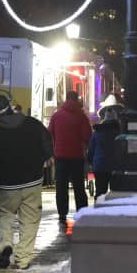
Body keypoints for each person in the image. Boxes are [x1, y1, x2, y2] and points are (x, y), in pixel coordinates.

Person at [0, 94, 54, 270]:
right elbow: (47, 142)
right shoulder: (32, 124)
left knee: (4, 216)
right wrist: (46, 157)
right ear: (10, 107)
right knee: (30, 220)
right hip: (33, 181)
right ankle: (22, 259)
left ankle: (6, 245)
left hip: (7, 184)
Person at [48, 90, 93, 226]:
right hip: (76, 156)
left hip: (60, 156)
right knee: (79, 186)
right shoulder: (81, 116)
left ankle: (62, 213)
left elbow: (49, 134)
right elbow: (87, 136)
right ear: (77, 99)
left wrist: (54, 149)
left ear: (66, 99)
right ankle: (81, 211)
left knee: (61, 186)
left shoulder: (56, 116)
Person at [87, 106, 122, 197]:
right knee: (116, 193)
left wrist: (90, 162)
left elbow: (91, 150)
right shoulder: (119, 133)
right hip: (116, 166)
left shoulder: (97, 133)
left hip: (99, 166)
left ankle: (99, 209)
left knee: (100, 192)